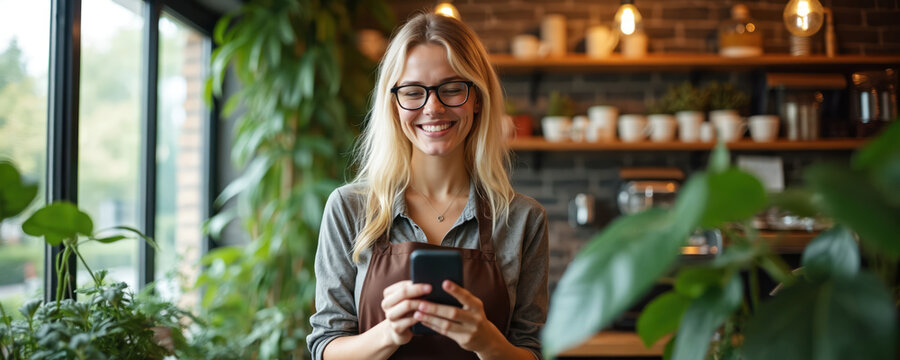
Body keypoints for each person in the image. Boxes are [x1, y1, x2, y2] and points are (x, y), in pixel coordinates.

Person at [307, 12, 549, 360]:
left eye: (452, 89)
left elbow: (531, 351)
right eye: (412, 91)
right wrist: (388, 333)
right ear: (393, 103)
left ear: (477, 98)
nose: (432, 108)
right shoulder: (349, 208)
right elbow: (325, 347)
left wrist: (487, 342)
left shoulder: (523, 219)